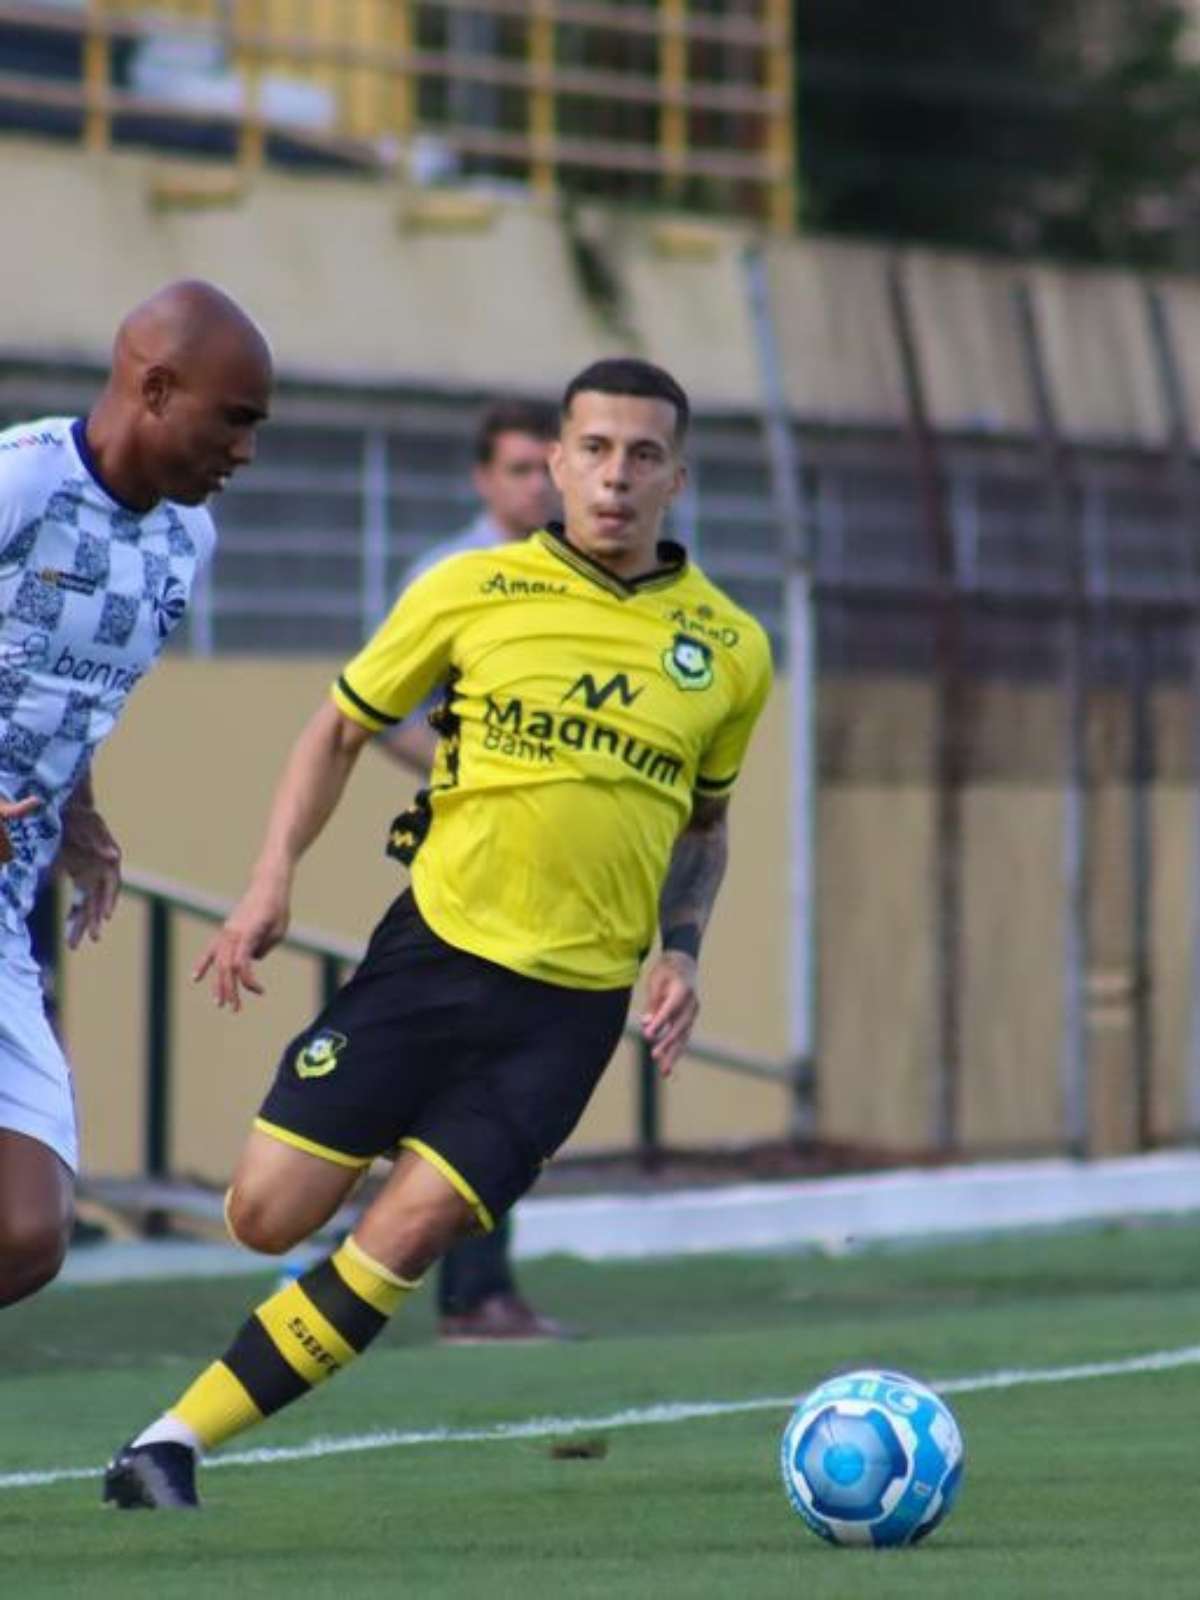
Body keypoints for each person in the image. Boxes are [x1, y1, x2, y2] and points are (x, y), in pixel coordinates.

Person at [104, 356, 772, 1511]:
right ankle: (374, 1133)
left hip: (566, 1015)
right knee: (265, 1215)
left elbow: (705, 828)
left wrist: (684, 952)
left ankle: (167, 1446)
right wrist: (269, 884)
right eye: (595, 450)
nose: (617, 477)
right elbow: (338, 729)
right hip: (433, 956)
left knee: (407, 1239)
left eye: (644, 455)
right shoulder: (469, 589)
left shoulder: (730, 648)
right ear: (556, 463)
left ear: (678, 476)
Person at [0, 280, 273, 1309]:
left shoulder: (184, 542)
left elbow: (63, 683)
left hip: (7, 901)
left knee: (27, 1231)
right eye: (234, 420)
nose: (245, 452)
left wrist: (76, 812)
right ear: (157, 389)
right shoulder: (22, 482)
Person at [382, 397, 571, 1343]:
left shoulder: (579, 579)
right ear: (482, 479)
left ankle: (478, 1286)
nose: (537, 484)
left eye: (548, 467)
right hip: (463, 867)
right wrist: (475, 778)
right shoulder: (453, 576)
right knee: (469, 1076)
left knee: (515, 1073)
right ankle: (462, 1288)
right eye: (519, 470)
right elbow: (382, 712)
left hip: (545, 875)